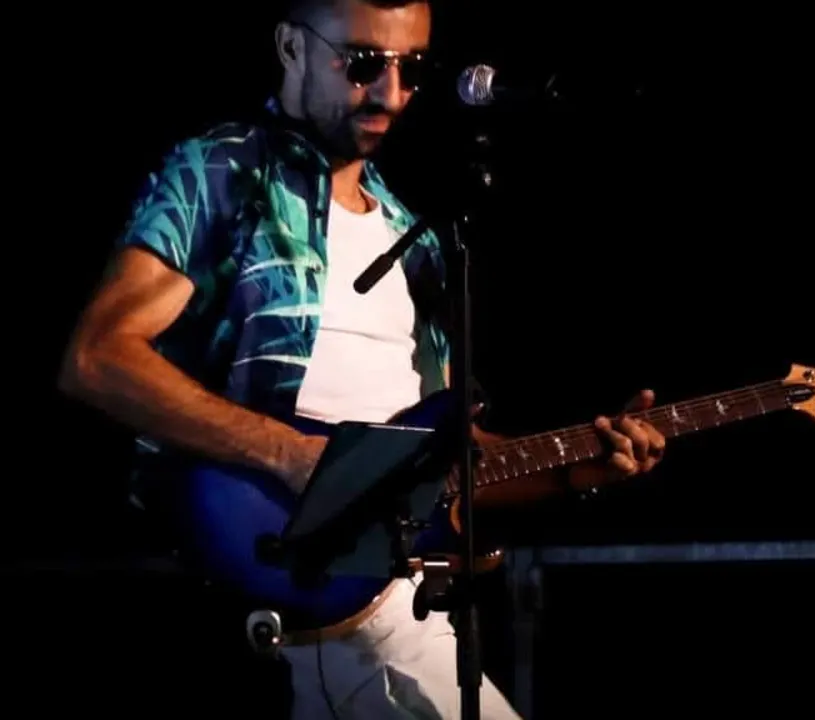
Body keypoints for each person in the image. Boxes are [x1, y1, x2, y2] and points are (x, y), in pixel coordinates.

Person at [57, 0, 666, 717]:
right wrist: (289, 453)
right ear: (291, 48)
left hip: (397, 609)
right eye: (365, 63)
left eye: (413, 68)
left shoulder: (417, 238)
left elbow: (442, 469)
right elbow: (97, 358)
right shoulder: (224, 171)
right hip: (269, 601)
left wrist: (577, 470)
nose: (393, 94)